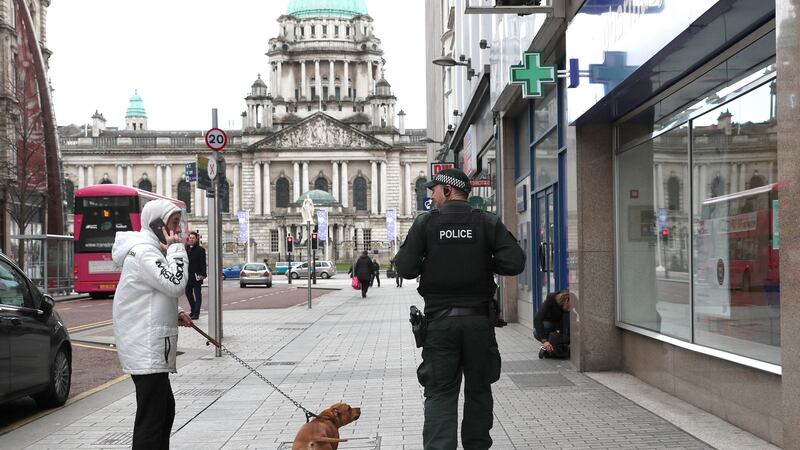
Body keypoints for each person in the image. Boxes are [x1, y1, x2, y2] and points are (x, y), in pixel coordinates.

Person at [394, 168, 525, 450]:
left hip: (440, 326)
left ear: (447, 191)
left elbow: (404, 267)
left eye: (434, 190)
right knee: (478, 390)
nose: (431, 195)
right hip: (478, 324)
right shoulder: (487, 222)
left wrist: (426, 261)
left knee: (440, 393)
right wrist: (486, 260)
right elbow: (514, 262)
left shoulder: (426, 224)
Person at [111, 199, 193, 450]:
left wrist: (175, 310)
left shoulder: (149, 250)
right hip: (144, 345)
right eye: (174, 224)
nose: (178, 231)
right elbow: (176, 283)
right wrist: (177, 248)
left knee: (164, 411)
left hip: (149, 344)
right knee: (152, 419)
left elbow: (152, 292)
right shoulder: (144, 252)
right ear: (157, 224)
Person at [534, 290, 573, 359]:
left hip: (565, 326)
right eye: (569, 306)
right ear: (566, 300)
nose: (571, 308)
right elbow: (537, 319)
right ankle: (550, 346)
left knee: (567, 315)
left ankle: (563, 346)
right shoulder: (551, 299)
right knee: (537, 333)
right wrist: (544, 341)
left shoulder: (572, 297)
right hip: (551, 324)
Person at [185, 231, 207, 320]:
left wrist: (203, 274)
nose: (191, 239)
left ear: (196, 239)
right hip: (187, 275)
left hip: (196, 275)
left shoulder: (200, 250)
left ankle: (196, 313)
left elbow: (203, 263)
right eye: (190, 238)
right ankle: (193, 310)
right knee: (188, 293)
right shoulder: (186, 248)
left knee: (197, 294)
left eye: (193, 238)